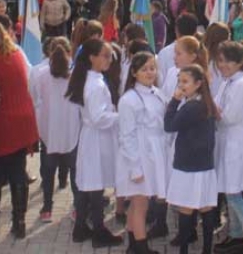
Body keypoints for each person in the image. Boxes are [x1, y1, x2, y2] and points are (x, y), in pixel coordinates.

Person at [0, 19, 39, 241]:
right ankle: (19, 223)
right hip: (22, 120)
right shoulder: (15, 54)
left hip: (1, 123)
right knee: (17, 173)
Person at [67, 37, 124, 247]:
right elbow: (99, 118)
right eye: (106, 56)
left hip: (93, 137)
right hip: (97, 138)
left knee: (88, 183)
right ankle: (99, 231)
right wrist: (121, 116)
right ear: (92, 58)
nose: (110, 59)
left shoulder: (92, 78)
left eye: (111, 55)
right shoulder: (95, 84)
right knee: (95, 185)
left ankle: (80, 227)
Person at [116, 52, 169, 254]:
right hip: (138, 157)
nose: (149, 72)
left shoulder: (157, 93)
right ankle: (141, 248)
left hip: (153, 153)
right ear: (134, 72)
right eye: (144, 69)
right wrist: (135, 168)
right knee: (140, 204)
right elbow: (126, 136)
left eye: (152, 68)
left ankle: (133, 245)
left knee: (141, 202)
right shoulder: (129, 99)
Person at [213, 41, 243, 254]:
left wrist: (211, 108)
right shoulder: (228, 81)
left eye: (226, 61)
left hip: (236, 143)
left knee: (233, 193)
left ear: (239, 62)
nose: (221, 65)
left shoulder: (242, 84)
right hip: (227, 142)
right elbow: (218, 106)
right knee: (228, 189)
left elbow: (229, 117)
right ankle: (235, 234)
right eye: (220, 60)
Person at [164, 64, 220, 254]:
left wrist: (173, 101)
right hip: (204, 163)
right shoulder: (206, 103)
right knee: (206, 206)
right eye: (179, 81)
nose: (181, 85)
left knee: (186, 208)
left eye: (185, 82)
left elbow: (169, 125)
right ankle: (206, 249)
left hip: (188, 164)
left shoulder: (192, 106)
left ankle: (184, 250)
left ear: (198, 83)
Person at [31, 36, 81, 223]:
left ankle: (47, 208)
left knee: (48, 170)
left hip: (49, 128)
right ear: (70, 52)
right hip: (71, 127)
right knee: (75, 170)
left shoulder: (39, 73)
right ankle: (77, 206)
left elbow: (35, 99)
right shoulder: (77, 73)